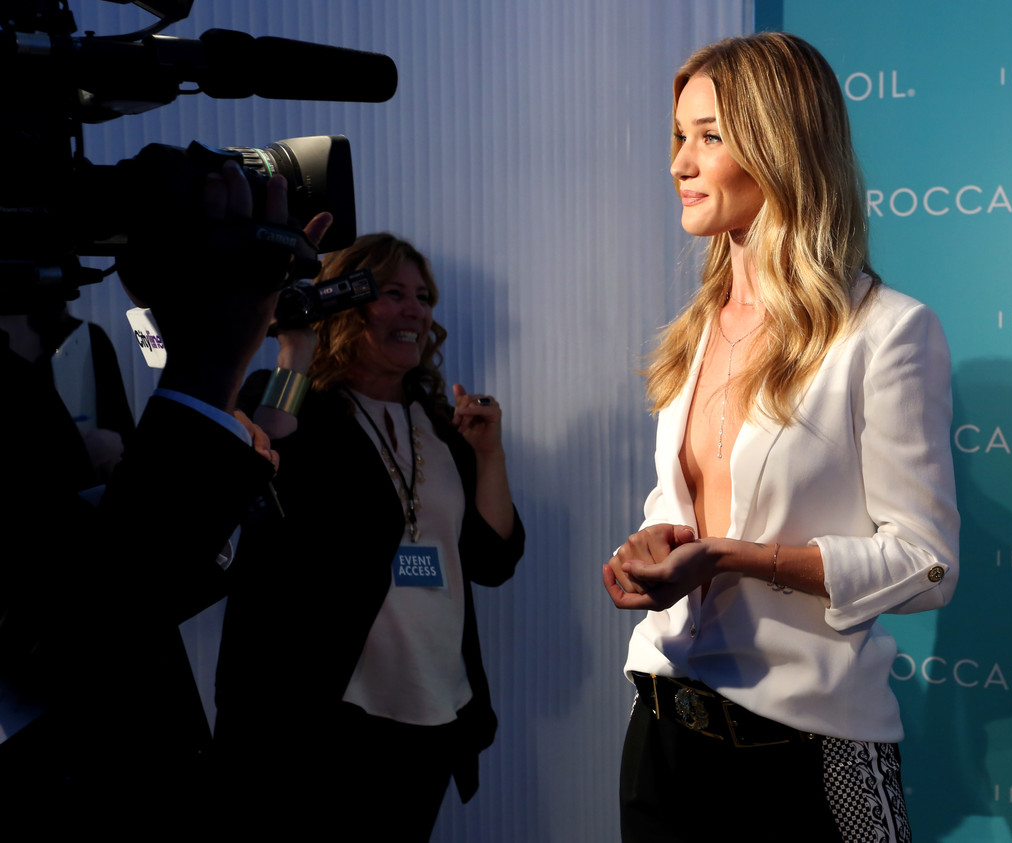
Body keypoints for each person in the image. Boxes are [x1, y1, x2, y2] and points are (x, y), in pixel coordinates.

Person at [602, 33, 957, 842]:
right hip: (661, 734)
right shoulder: (695, 331)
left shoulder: (887, 331)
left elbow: (926, 560)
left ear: (781, 147)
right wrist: (650, 547)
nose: (679, 163)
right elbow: (685, 503)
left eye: (709, 137)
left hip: (803, 752)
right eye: (679, 136)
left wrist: (734, 557)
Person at [0, 161, 325, 826]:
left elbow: (266, 430)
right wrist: (174, 330)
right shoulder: (209, 390)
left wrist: (291, 353)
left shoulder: (93, 343)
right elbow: (187, 398)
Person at [215, 232, 524, 837]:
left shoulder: (439, 425)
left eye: (423, 297)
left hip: (434, 710)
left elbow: (492, 561)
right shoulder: (292, 404)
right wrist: (296, 349)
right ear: (346, 305)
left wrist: (489, 455)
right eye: (392, 293)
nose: (415, 310)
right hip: (320, 716)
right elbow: (268, 467)